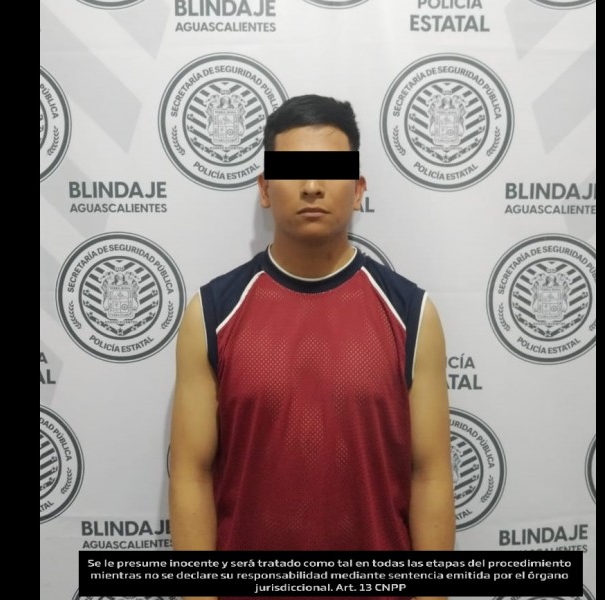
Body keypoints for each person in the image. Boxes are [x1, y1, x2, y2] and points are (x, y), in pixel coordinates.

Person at [169, 94, 455, 599]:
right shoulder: (212, 314)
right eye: (294, 170)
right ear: (265, 189)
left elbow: (429, 475)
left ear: (358, 189)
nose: (312, 186)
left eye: (330, 171)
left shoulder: (412, 314)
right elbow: (191, 473)